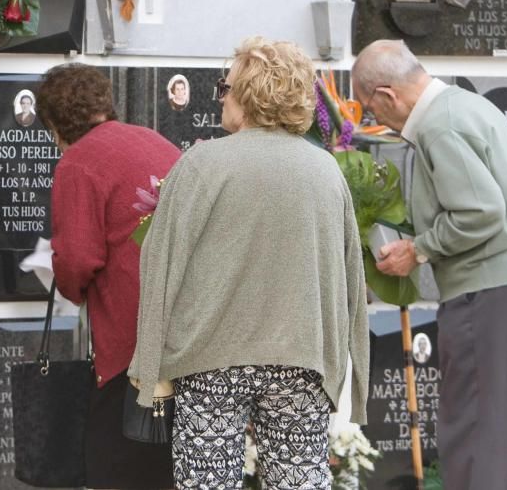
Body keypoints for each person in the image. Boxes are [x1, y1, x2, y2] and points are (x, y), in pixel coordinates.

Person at [130, 37, 369, 489]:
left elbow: (161, 265)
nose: (222, 96)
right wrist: (349, 369)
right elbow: (349, 278)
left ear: (249, 94)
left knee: (207, 483)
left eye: (227, 86)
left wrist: (151, 365)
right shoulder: (324, 171)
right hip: (302, 357)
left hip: (211, 358)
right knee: (299, 481)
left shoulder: (204, 163)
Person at [352, 39, 507, 490]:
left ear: (386, 95)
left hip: (488, 289)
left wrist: (418, 249)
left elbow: (480, 211)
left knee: (474, 437)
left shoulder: (439, 124)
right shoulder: (467, 105)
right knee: (504, 441)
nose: (375, 121)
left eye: (370, 109)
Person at [38, 63, 180, 489]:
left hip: (129, 338)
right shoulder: (155, 140)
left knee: (117, 463)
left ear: (53, 124)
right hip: (183, 329)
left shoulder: (78, 162)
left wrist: (66, 283)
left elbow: (79, 258)